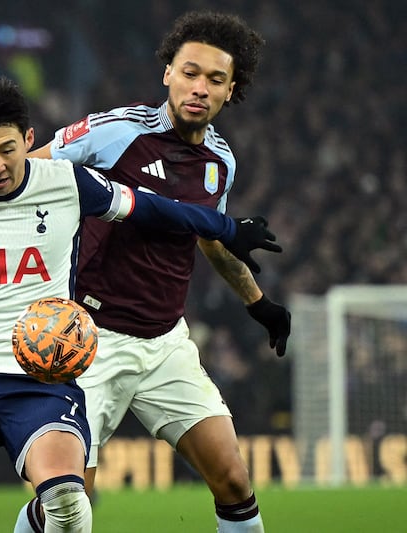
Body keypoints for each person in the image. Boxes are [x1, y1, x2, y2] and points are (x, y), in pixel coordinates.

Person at [0, 76, 281, 533]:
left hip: (42, 380)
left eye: (7, 149)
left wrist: (225, 227)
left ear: (29, 139)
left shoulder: (68, 184)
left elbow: (153, 207)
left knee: (68, 503)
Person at [15, 10, 291, 533]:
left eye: (215, 79)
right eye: (190, 72)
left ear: (231, 91)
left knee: (234, 481)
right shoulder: (114, 132)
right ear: (167, 72)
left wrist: (259, 304)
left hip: (166, 343)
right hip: (88, 343)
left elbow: (211, 236)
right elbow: (28, 173)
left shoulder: (221, 161)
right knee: (69, 507)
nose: (200, 87)